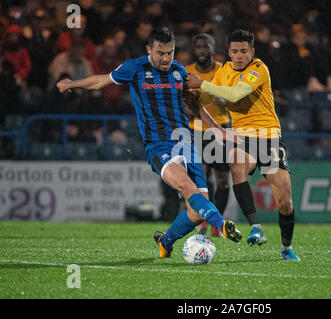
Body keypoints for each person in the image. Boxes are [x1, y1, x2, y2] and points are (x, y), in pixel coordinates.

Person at [56, 26, 243, 258]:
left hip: (186, 142)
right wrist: (71, 84)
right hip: (158, 145)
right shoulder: (134, 68)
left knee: (197, 211)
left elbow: (193, 104)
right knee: (186, 186)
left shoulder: (178, 71)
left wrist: (217, 129)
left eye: (170, 53)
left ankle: (166, 241)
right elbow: (101, 81)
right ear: (149, 50)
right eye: (161, 53)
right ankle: (222, 225)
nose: (166, 58)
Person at [187, 29, 300, 261]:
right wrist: (192, 93)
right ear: (228, 52)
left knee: (285, 203)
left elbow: (237, 94)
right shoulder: (224, 71)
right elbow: (207, 98)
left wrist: (204, 85)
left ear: (252, 52)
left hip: (268, 136)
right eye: (235, 51)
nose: (239, 56)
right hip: (242, 136)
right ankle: (255, 227)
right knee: (237, 165)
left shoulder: (258, 69)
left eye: (244, 51)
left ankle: (286, 248)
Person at [185, 33, 231, 237]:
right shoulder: (187, 72)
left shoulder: (224, 70)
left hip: (221, 128)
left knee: (222, 180)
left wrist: (224, 99)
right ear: (194, 50)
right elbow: (182, 102)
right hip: (196, 129)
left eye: (206, 46)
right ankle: (203, 219)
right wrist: (190, 106)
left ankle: (217, 223)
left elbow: (234, 98)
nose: (202, 51)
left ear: (213, 48)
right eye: (199, 47)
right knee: (201, 178)